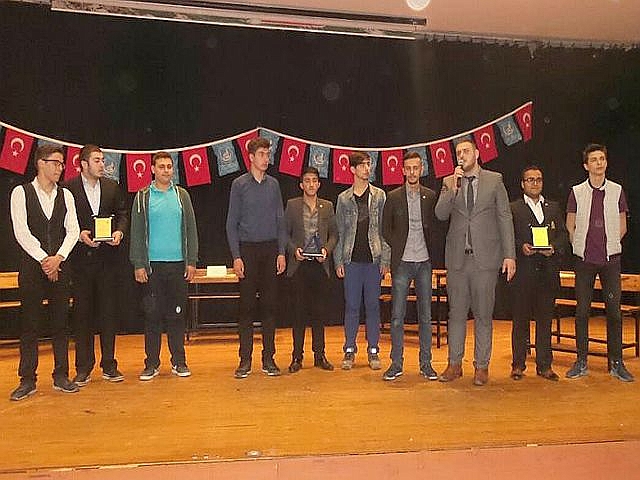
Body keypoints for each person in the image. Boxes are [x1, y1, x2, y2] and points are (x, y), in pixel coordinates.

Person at [435, 138, 516, 386]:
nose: (462, 155)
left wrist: (510, 255)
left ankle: (481, 366)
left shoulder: (495, 180)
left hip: (486, 260)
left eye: (466, 151)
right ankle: (454, 364)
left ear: (477, 153)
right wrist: (453, 188)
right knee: (456, 314)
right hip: (458, 260)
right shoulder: (449, 182)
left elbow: (504, 217)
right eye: (458, 152)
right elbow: (440, 214)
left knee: (483, 314)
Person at [9, 144, 81, 400]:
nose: (60, 168)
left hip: (60, 266)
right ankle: (27, 379)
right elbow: (21, 231)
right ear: (40, 163)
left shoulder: (66, 195)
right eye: (56, 163)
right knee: (30, 323)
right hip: (32, 267)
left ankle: (61, 375)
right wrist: (44, 259)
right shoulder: (21, 193)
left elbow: (73, 230)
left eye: (62, 164)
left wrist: (58, 258)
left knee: (61, 322)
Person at [565, 143, 633, 382]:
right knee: (582, 312)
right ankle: (581, 361)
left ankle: (616, 363)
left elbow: (623, 225)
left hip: (610, 261)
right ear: (586, 166)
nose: (599, 163)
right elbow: (570, 225)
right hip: (584, 262)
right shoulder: (576, 192)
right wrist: (579, 246)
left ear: (606, 162)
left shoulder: (617, 190)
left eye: (602, 158)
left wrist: (611, 244)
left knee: (614, 313)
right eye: (594, 159)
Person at [130, 151, 198, 381]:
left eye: (169, 166)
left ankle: (179, 361)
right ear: (152, 169)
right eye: (161, 166)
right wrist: (138, 263)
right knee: (152, 316)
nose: (166, 170)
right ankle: (151, 364)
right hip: (152, 268)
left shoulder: (182, 196)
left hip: (178, 266)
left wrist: (191, 260)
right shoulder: (142, 197)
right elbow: (136, 232)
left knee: (177, 316)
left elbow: (191, 229)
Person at [65, 145, 128, 386]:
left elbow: (122, 214)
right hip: (81, 263)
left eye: (103, 160)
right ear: (83, 164)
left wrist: (119, 232)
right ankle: (83, 367)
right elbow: (64, 220)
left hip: (107, 262)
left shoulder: (112, 186)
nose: (102, 164)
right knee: (82, 315)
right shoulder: (68, 188)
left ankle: (109, 365)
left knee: (108, 313)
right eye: (97, 160)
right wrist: (79, 234)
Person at [226, 137, 286, 378]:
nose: (266, 158)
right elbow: (231, 223)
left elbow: (281, 221)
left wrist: (281, 252)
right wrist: (236, 256)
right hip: (248, 250)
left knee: (270, 306)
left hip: (270, 249)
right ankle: (245, 359)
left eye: (268, 154)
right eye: (261, 154)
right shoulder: (239, 185)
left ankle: (269, 358)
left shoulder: (274, 185)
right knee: (247, 307)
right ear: (250, 157)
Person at [381, 151, 438, 381]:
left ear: (421, 169)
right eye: (409, 168)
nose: (413, 172)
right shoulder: (393, 197)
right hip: (402, 263)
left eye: (416, 167)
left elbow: (437, 227)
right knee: (397, 317)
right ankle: (396, 363)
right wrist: (398, 245)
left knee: (426, 317)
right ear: (403, 171)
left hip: (424, 262)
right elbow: (385, 229)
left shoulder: (430, 196)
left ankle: (426, 364)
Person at [509, 165, 568, 381]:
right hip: (523, 273)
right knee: (520, 321)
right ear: (522, 184)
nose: (535, 183)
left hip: (547, 273)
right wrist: (521, 247)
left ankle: (544, 365)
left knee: (545, 321)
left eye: (538, 179)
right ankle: (518, 365)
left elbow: (563, 235)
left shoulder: (553, 207)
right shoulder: (513, 208)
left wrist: (554, 248)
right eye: (530, 179)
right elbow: (507, 236)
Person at [334, 151, 390, 370]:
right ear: (352, 169)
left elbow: (385, 230)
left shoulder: (379, 196)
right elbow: (339, 231)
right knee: (352, 306)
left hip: (373, 260)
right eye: (363, 165)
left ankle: (373, 349)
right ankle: (349, 349)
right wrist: (339, 261)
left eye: (369, 164)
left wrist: (385, 259)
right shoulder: (343, 199)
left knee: (373, 306)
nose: (368, 168)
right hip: (352, 261)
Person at [284, 166, 338, 373]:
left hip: (319, 266)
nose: (311, 184)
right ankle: (297, 357)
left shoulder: (327, 206)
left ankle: (319, 355)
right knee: (298, 313)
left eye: (314, 180)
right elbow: (284, 234)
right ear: (301, 185)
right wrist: (293, 250)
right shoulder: (292, 205)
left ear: (319, 184)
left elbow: (334, 234)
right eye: (307, 180)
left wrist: (327, 250)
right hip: (299, 266)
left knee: (319, 312)